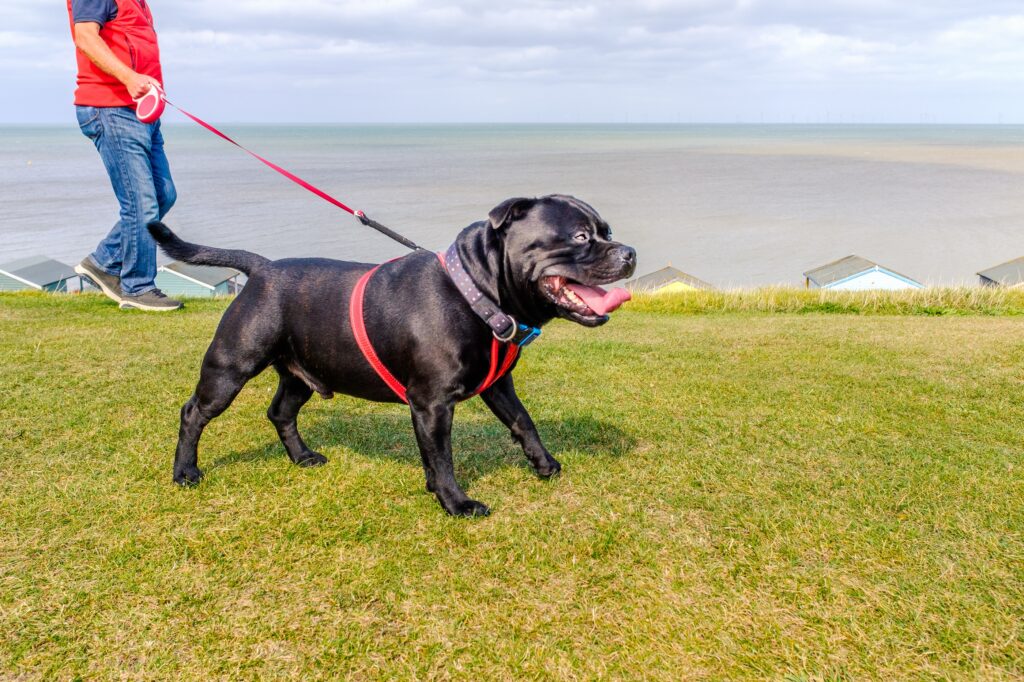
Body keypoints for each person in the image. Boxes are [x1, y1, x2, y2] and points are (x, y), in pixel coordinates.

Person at [68, 0, 182, 311]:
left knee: (163, 195)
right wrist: (130, 78)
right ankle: (137, 287)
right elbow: (85, 36)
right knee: (141, 204)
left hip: (142, 113)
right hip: (110, 108)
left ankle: (103, 262)